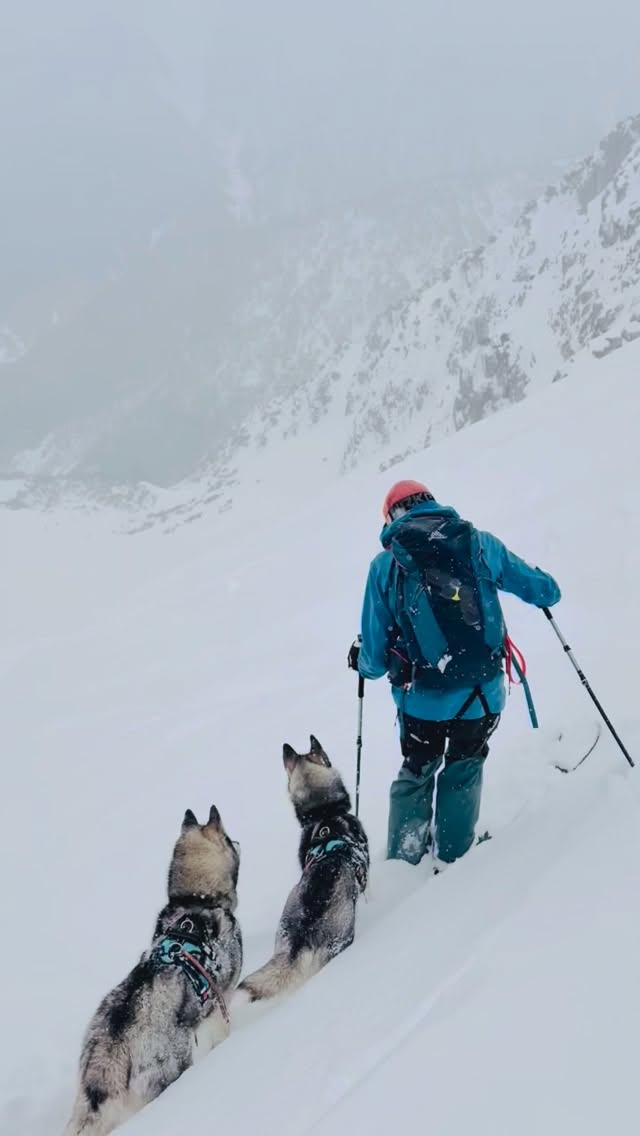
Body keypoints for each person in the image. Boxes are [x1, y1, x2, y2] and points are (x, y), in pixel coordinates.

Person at [348, 479, 560, 867]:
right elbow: (543, 590)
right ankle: (454, 856)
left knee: (417, 772)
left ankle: (404, 863)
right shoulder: (478, 543)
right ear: (431, 502)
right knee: (463, 766)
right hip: (483, 694)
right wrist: (545, 584)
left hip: (421, 703)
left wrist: (359, 661)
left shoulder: (385, 565)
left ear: (392, 515)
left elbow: (375, 662)